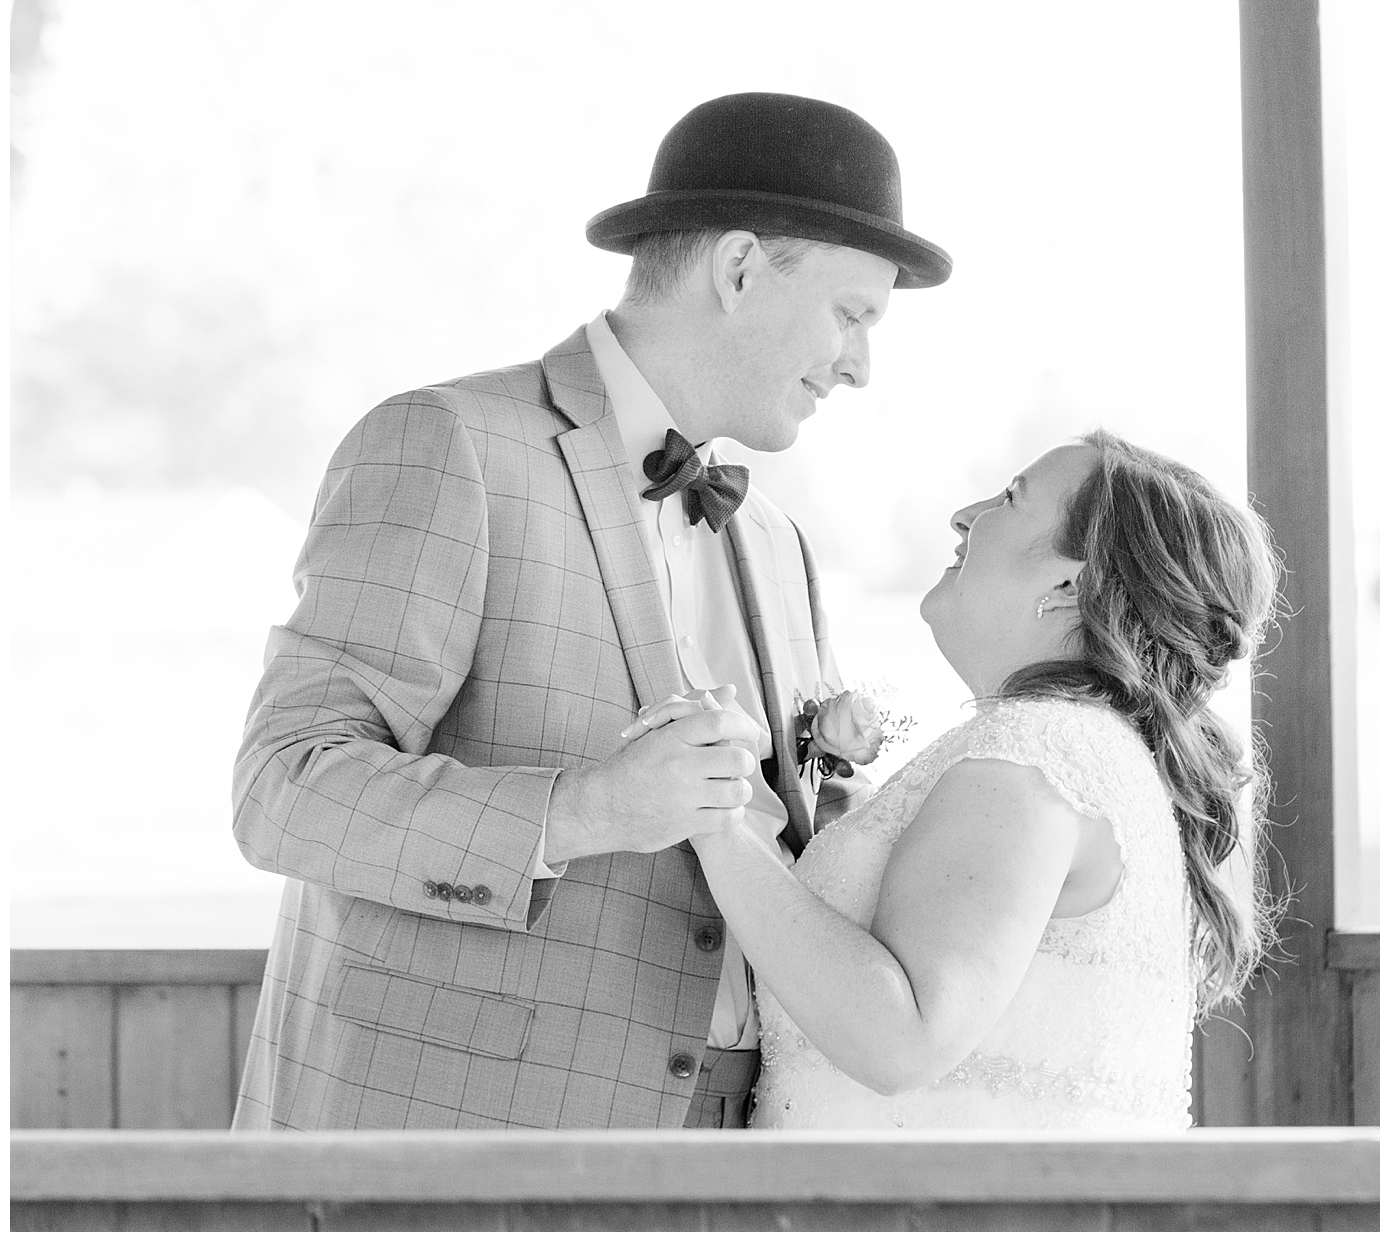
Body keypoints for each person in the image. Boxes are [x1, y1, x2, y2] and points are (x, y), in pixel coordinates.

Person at [229, 92, 950, 1130]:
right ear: (739, 268)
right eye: (852, 315)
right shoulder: (450, 445)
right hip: (454, 1144)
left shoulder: (777, 544)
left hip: (737, 1140)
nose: (860, 366)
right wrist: (587, 809)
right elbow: (281, 790)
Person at [684, 432, 1282, 1128]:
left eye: (1008, 498)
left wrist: (716, 823)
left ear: (1068, 584)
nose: (965, 515)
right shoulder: (1092, 752)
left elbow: (901, 1037)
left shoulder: (1033, 757)